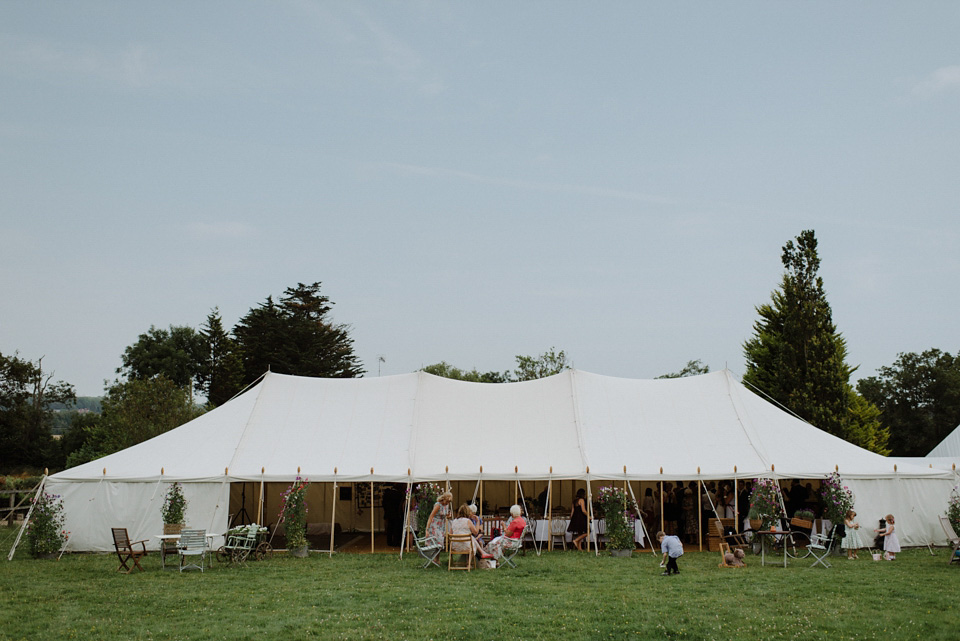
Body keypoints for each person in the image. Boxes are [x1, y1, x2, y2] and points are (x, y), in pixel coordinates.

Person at [381, 483, 405, 547]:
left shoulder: (387, 494)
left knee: (389, 528)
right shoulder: (400, 495)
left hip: (389, 513)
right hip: (396, 514)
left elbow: (383, 503)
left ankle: (389, 542)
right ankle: (395, 542)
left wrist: (386, 510)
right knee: (396, 528)